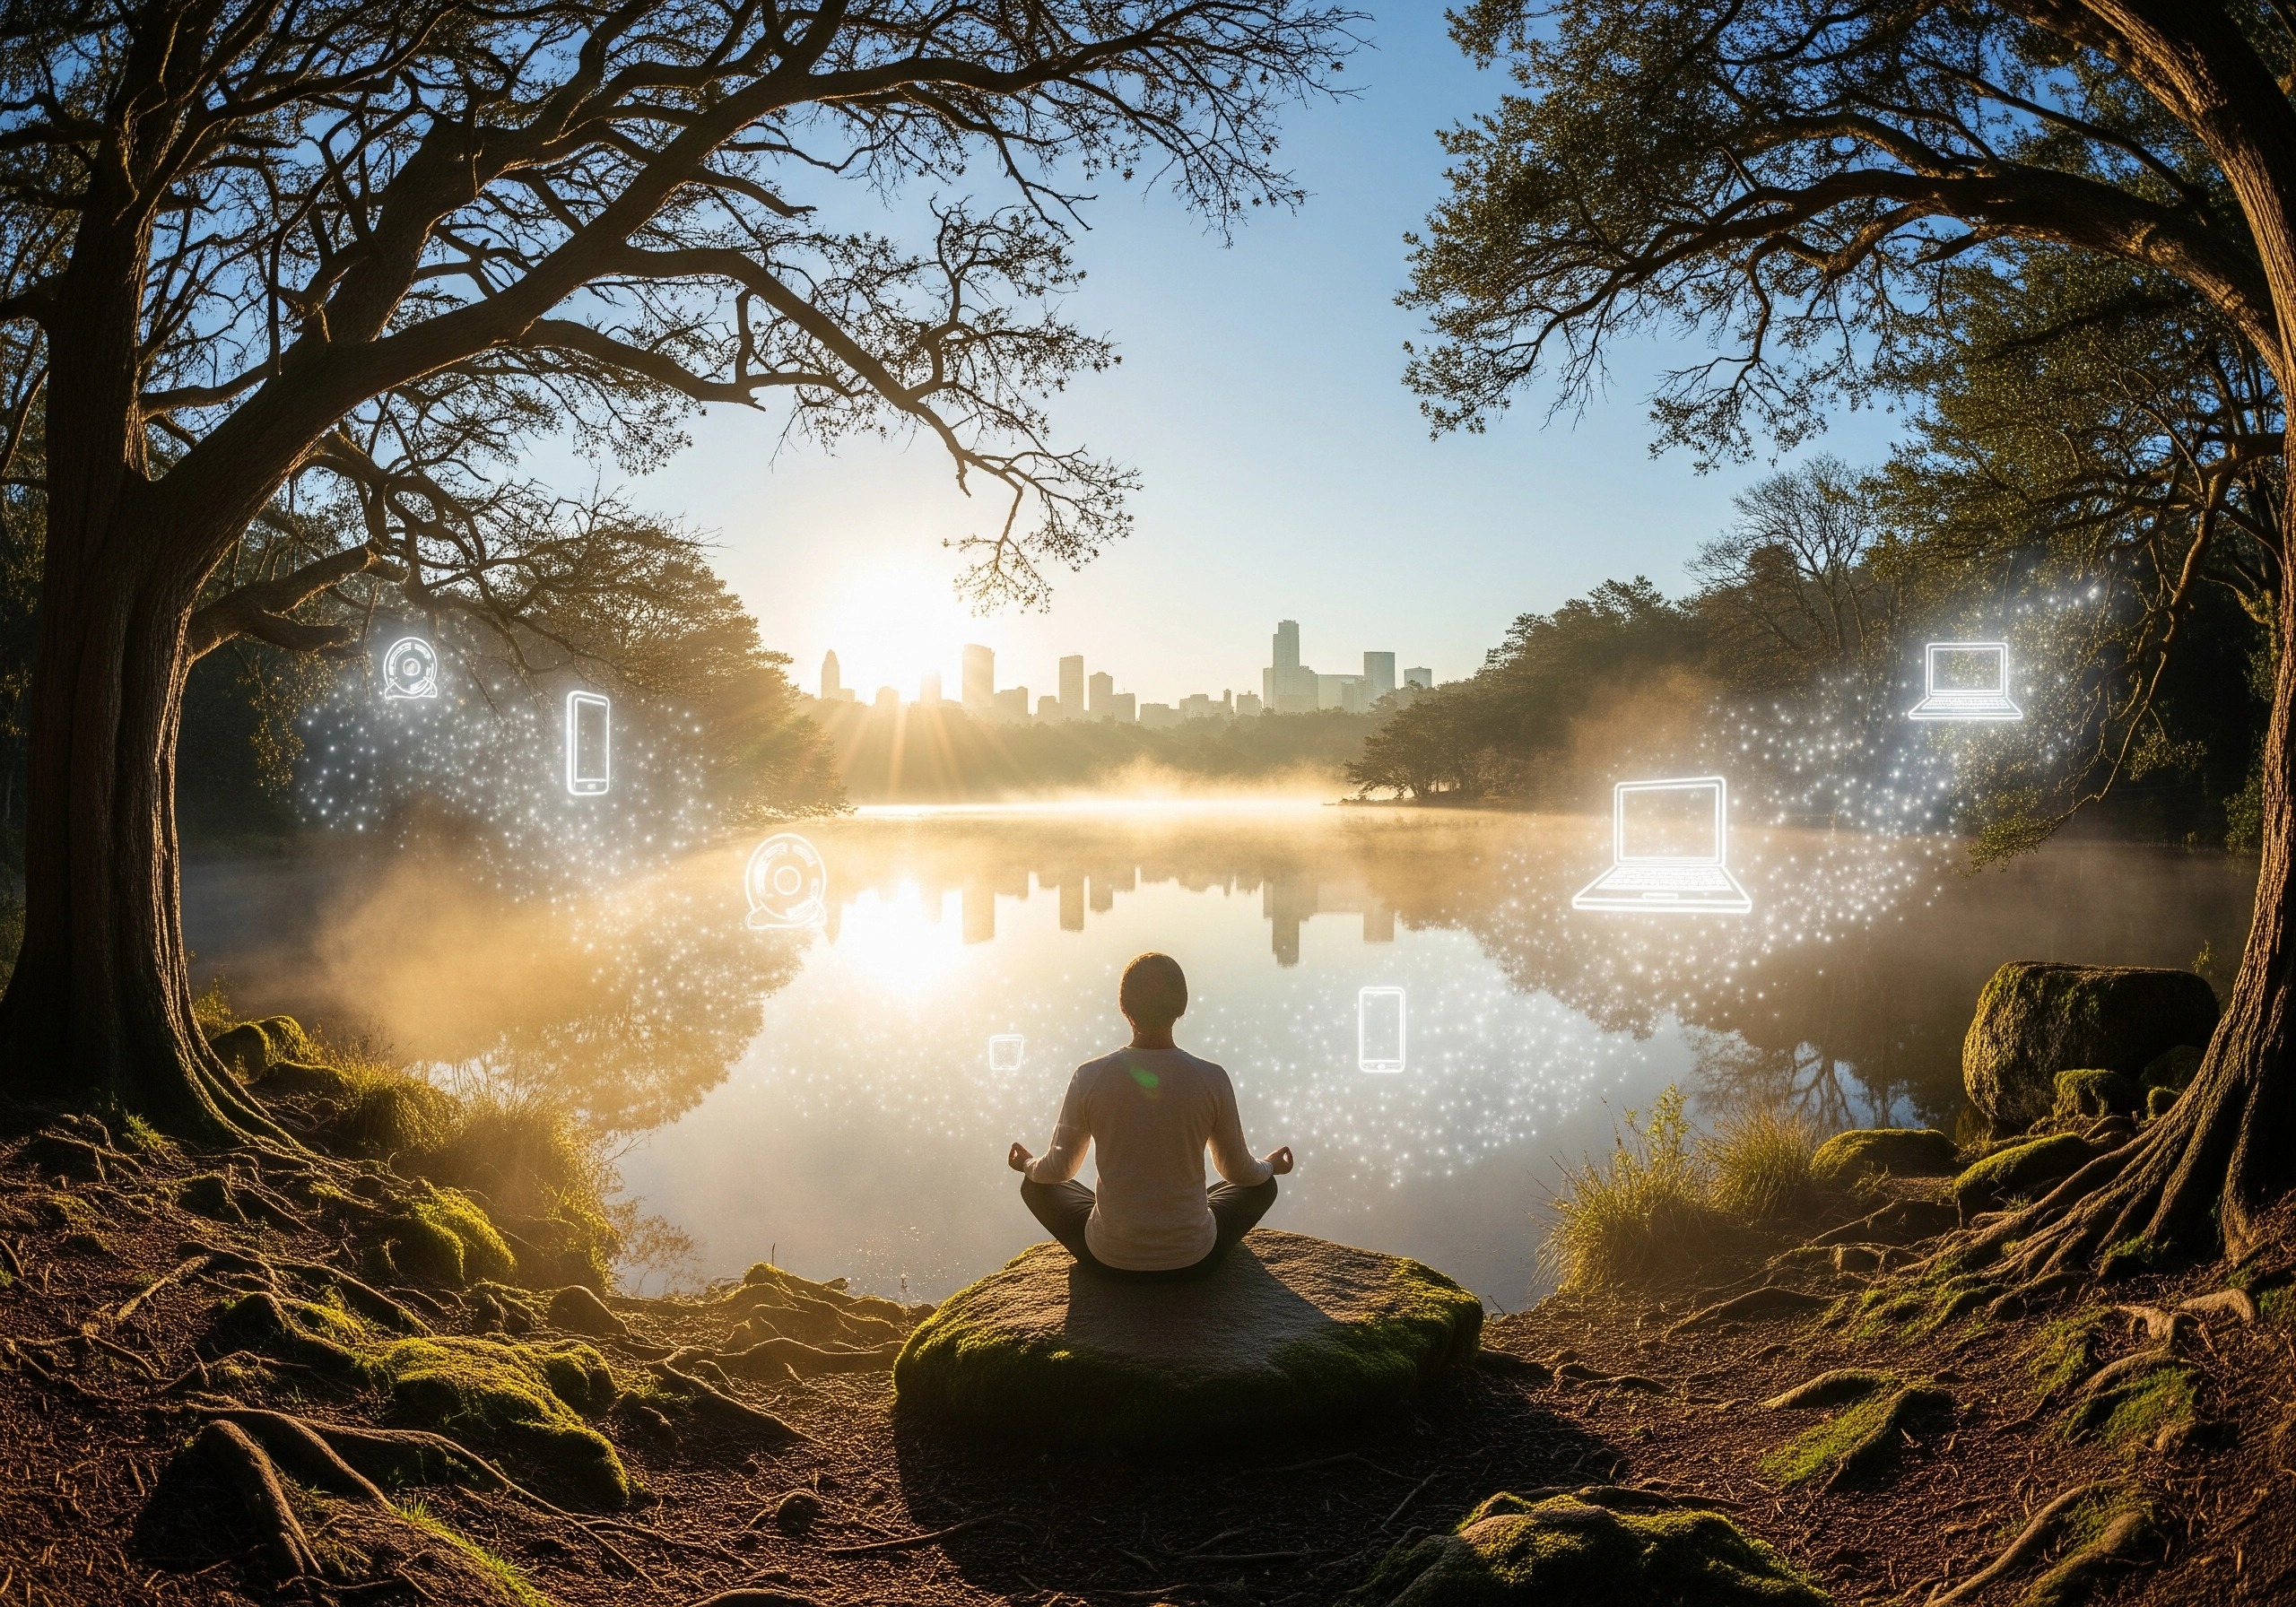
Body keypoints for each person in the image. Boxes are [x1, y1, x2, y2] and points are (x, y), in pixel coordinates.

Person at [1007, 951, 1294, 1281]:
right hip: (1195, 1260)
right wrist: (1271, 1165)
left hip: (1109, 1260)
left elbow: (1059, 1169)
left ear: (1124, 1007)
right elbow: (1237, 1171)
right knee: (1262, 1186)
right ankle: (1188, 1232)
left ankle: (1120, 1242)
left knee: (1035, 1186)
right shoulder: (1212, 1078)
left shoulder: (1088, 1077)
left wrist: (1027, 1165)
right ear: (1182, 1007)